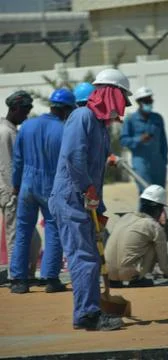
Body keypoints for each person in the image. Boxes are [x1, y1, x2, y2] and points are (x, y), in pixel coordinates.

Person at [48, 68, 132, 331]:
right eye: (121, 98)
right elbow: (75, 158)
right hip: (71, 197)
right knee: (84, 256)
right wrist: (88, 190)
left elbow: (97, 171)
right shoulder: (82, 116)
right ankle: (87, 315)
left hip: (86, 199)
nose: (123, 106)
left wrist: (100, 206)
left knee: (92, 256)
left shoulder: (101, 126)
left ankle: (90, 309)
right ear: (110, 93)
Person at [10, 88, 76, 294]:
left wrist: (16, 184)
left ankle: (19, 281)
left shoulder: (27, 126)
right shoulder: (64, 130)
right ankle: (50, 278)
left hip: (27, 186)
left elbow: (17, 161)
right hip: (51, 187)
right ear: (65, 109)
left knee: (23, 232)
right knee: (54, 230)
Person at [105, 185, 168, 288]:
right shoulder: (154, 227)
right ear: (160, 209)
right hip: (128, 274)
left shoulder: (125, 218)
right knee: (153, 245)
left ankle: (115, 281)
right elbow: (164, 265)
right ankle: (137, 280)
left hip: (108, 274)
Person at [0, 91, 41, 281]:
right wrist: (13, 190)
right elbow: (7, 166)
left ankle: (27, 274)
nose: (27, 114)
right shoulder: (5, 132)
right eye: (25, 110)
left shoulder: (13, 130)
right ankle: (15, 276)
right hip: (11, 192)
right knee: (15, 236)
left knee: (32, 239)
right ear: (14, 108)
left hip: (20, 191)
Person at [120, 86, 168, 194]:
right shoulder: (130, 120)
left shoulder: (157, 118)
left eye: (150, 100)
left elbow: (163, 141)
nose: (149, 102)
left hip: (158, 163)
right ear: (139, 102)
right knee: (146, 194)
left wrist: (164, 161)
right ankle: (144, 211)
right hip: (140, 162)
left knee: (159, 195)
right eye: (146, 100)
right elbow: (124, 141)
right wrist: (139, 139)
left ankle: (160, 212)